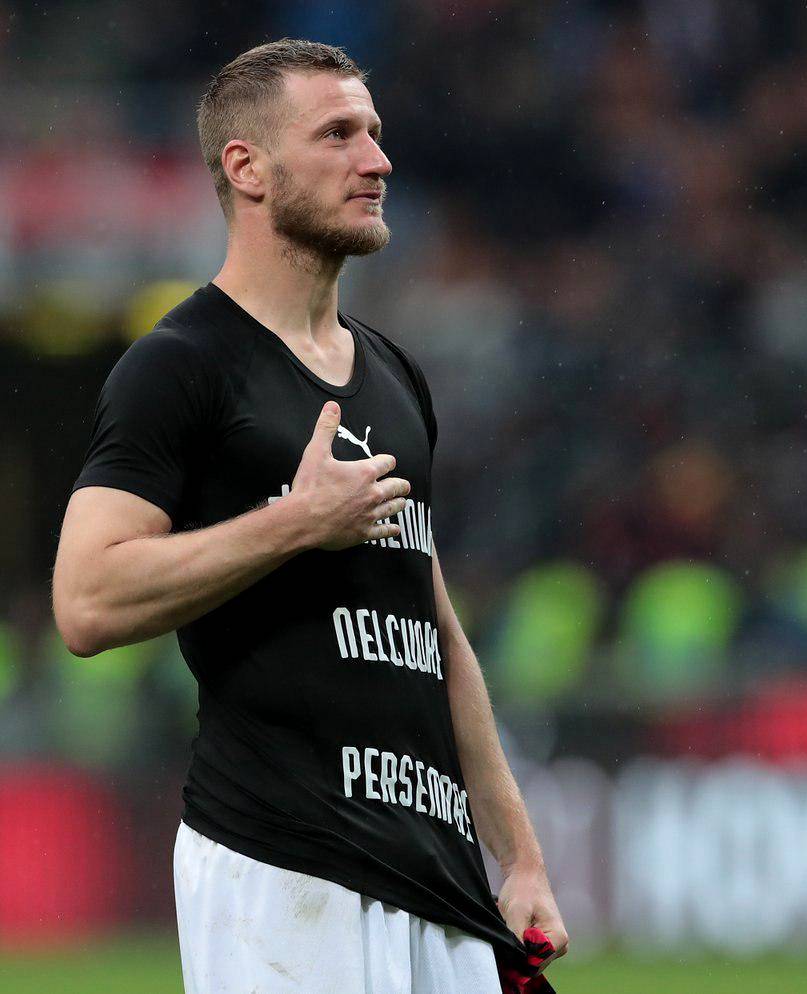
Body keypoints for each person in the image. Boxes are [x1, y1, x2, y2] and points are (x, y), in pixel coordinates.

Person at [51, 38, 566, 994]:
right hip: (282, 866)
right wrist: (294, 522)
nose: (377, 160)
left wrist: (520, 856)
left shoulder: (395, 374)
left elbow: (434, 630)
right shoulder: (180, 365)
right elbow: (85, 601)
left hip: (435, 869)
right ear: (247, 168)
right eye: (337, 135)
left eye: (374, 132)